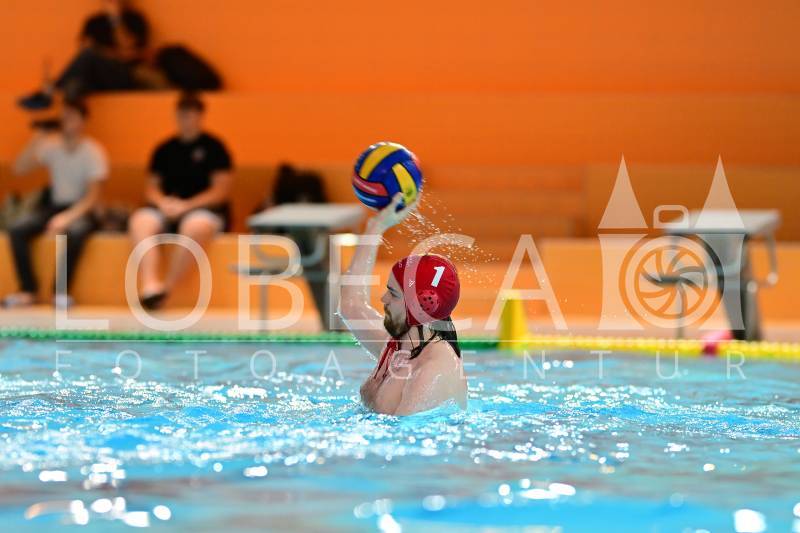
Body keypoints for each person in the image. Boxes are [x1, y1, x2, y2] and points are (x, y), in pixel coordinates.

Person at [339, 193, 467, 415]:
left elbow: (406, 433)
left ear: (422, 305)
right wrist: (375, 227)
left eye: (393, 294)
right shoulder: (399, 344)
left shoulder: (433, 370)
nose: (383, 299)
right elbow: (351, 306)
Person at [128, 92, 233, 309]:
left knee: (195, 225)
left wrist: (187, 206)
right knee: (141, 220)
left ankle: (166, 289)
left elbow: (220, 191)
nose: (185, 119)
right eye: (182, 114)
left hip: (203, 210)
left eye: (190, 114)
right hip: (168, 208)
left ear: (200, 116)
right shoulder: (164, 149)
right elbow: (151, 188)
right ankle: (150, 284)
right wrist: (163, 203)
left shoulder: (215, 148)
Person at [3, 99, 108, 308]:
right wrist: (37, 138)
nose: (66, 121)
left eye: (72, 116)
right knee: (18, 229)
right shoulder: (52, 146)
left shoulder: (93, 151)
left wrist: (67, 218)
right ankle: (28, 290)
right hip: (55, 205)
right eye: (64, 116)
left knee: (76, 231)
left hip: (82, 208)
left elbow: (93, 196)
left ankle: (60, 292)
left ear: (82, 121)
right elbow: (18, 169)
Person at [18, 0, 151, 110]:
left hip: (123, 77)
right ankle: (61, 124)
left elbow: (130, 51)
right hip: (95, 80)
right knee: (74, 86)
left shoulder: (135, 19)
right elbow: (83, 50)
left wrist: (115, 20)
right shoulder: (94, 22)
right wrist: (109, 53)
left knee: (89, 55)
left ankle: (50, 92)